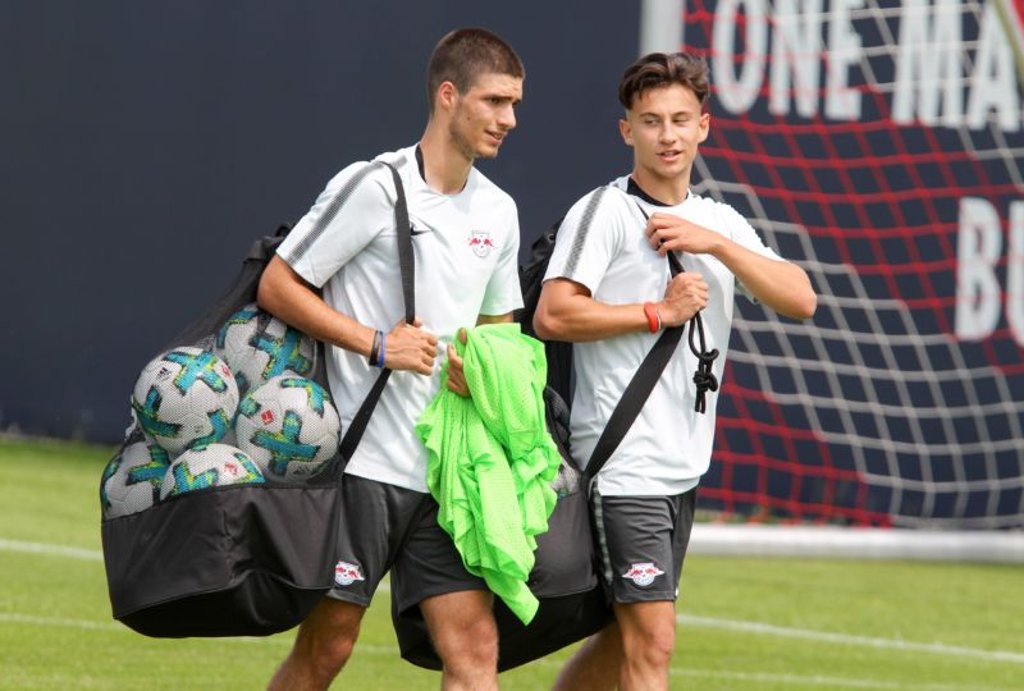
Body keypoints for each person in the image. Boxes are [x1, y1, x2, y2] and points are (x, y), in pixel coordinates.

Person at [534, 51, 817, 691]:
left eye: (680, 120)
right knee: (653, 645)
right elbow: (554, 314)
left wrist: (713, 243)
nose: (667, 135)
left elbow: (801, 298)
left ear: (703, 127)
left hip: (683, 469)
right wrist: (656, 312)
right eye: (652, 120)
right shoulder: (603, 212)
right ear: (626, 131)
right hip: (623, 464)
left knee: (622, 644)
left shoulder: (719, 222)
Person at [257, 28, 525, 691]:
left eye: (515, 103)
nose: (508, 119)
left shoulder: (500, 209)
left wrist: (485, 369)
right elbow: (278, 284)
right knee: (329, 648)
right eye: (494, 101)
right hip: (362, 466)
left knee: (473, 650)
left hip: (447, 474)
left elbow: (500, 332)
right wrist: (377, 343)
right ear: (447, 95)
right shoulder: (374, 185)